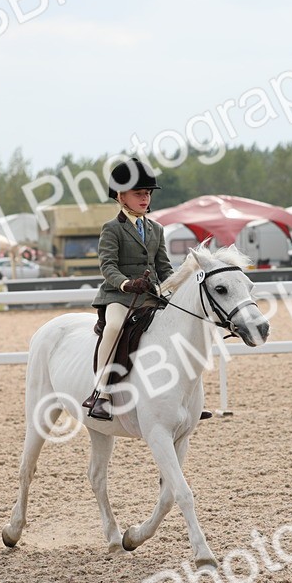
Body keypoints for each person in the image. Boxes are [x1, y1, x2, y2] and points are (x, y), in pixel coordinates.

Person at [84, 158, 171, 421]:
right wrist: (126, 282)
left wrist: (172, 289)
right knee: (113, 328)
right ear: (121, 196)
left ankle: (184, 397)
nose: (145, 199)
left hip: (150, 296)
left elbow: (164, 267)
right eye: (138, 194)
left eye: (147, 194)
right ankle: (101, 393)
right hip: (119, 296)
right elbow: (107, 266)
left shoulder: (156, 229)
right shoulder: (112, 229)